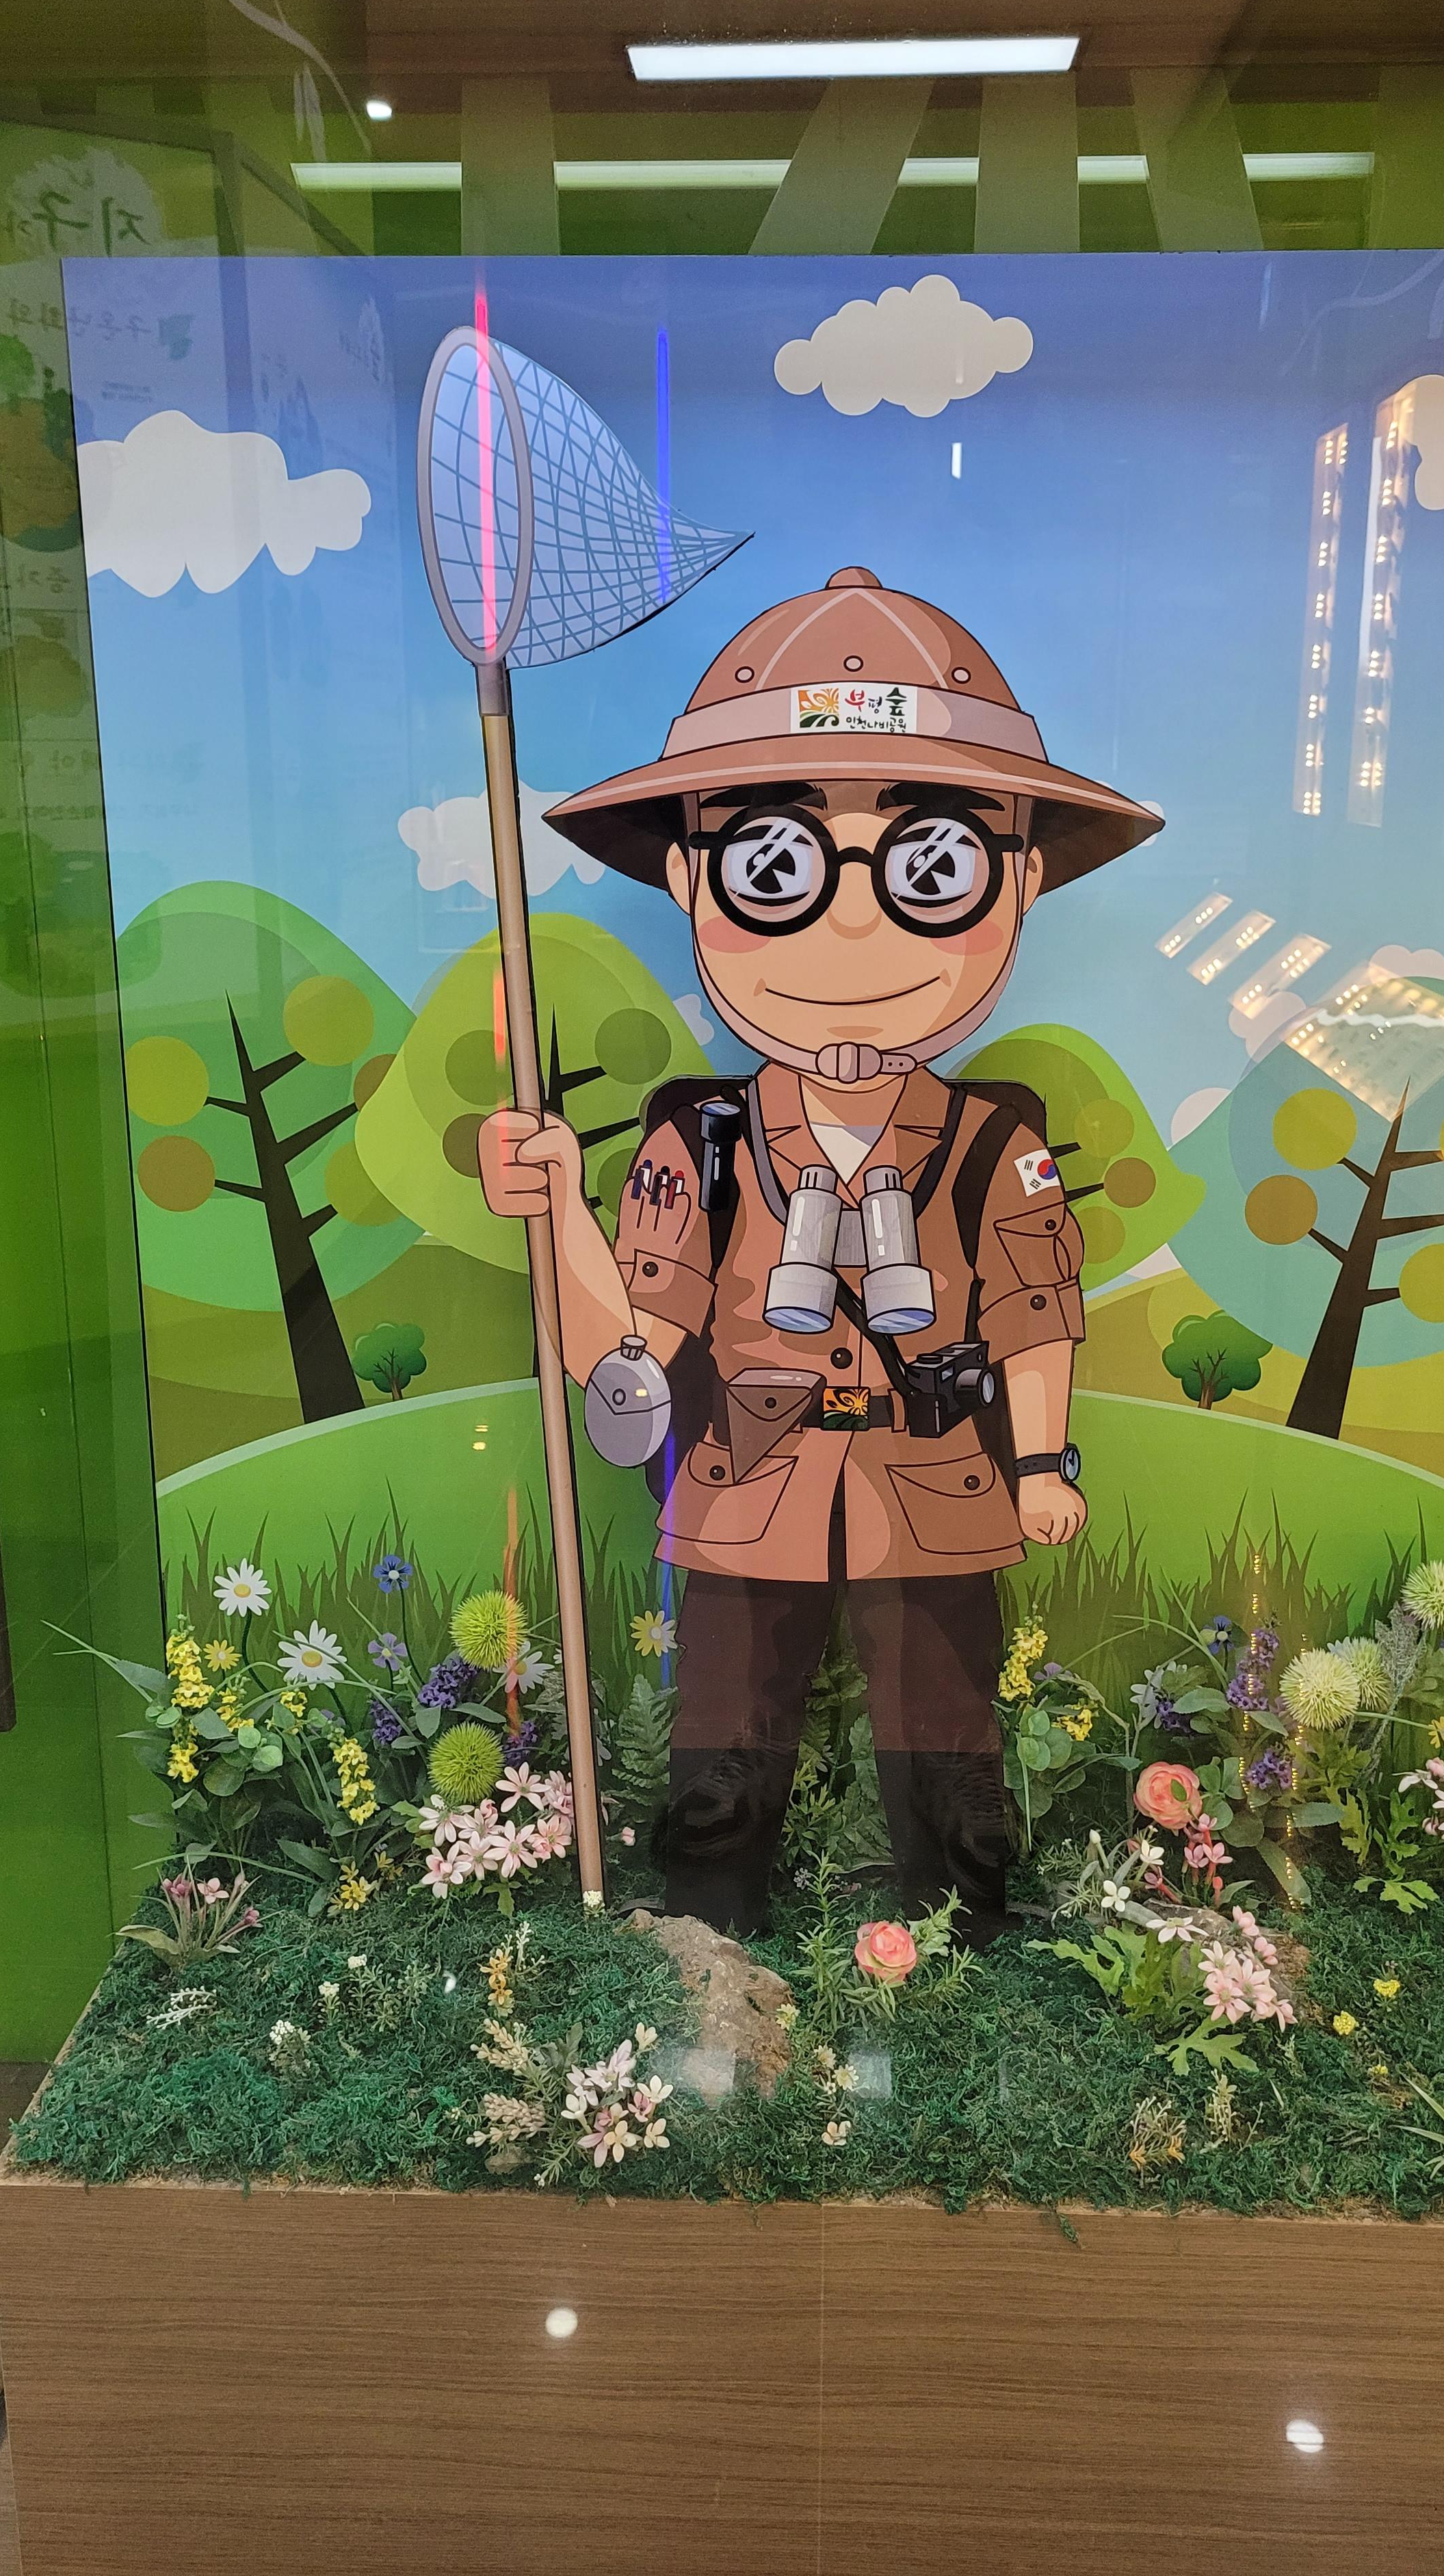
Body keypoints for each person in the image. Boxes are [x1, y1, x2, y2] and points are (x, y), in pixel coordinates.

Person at [478, 567, 1161, 1942]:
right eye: (776, 866)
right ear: (692, 876)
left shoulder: (992, 1143)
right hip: (746, 1485)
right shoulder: (703, 1140)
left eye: (931, 868)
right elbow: (631, 1357)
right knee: (725, 1746)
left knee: (948, 1744)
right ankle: (702, 1951)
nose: (854, 927)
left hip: (938, 1484)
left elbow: (1036, 1313)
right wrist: (560, 1219)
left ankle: (961, 1950)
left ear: (1019, 878)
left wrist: (1042, 1464)